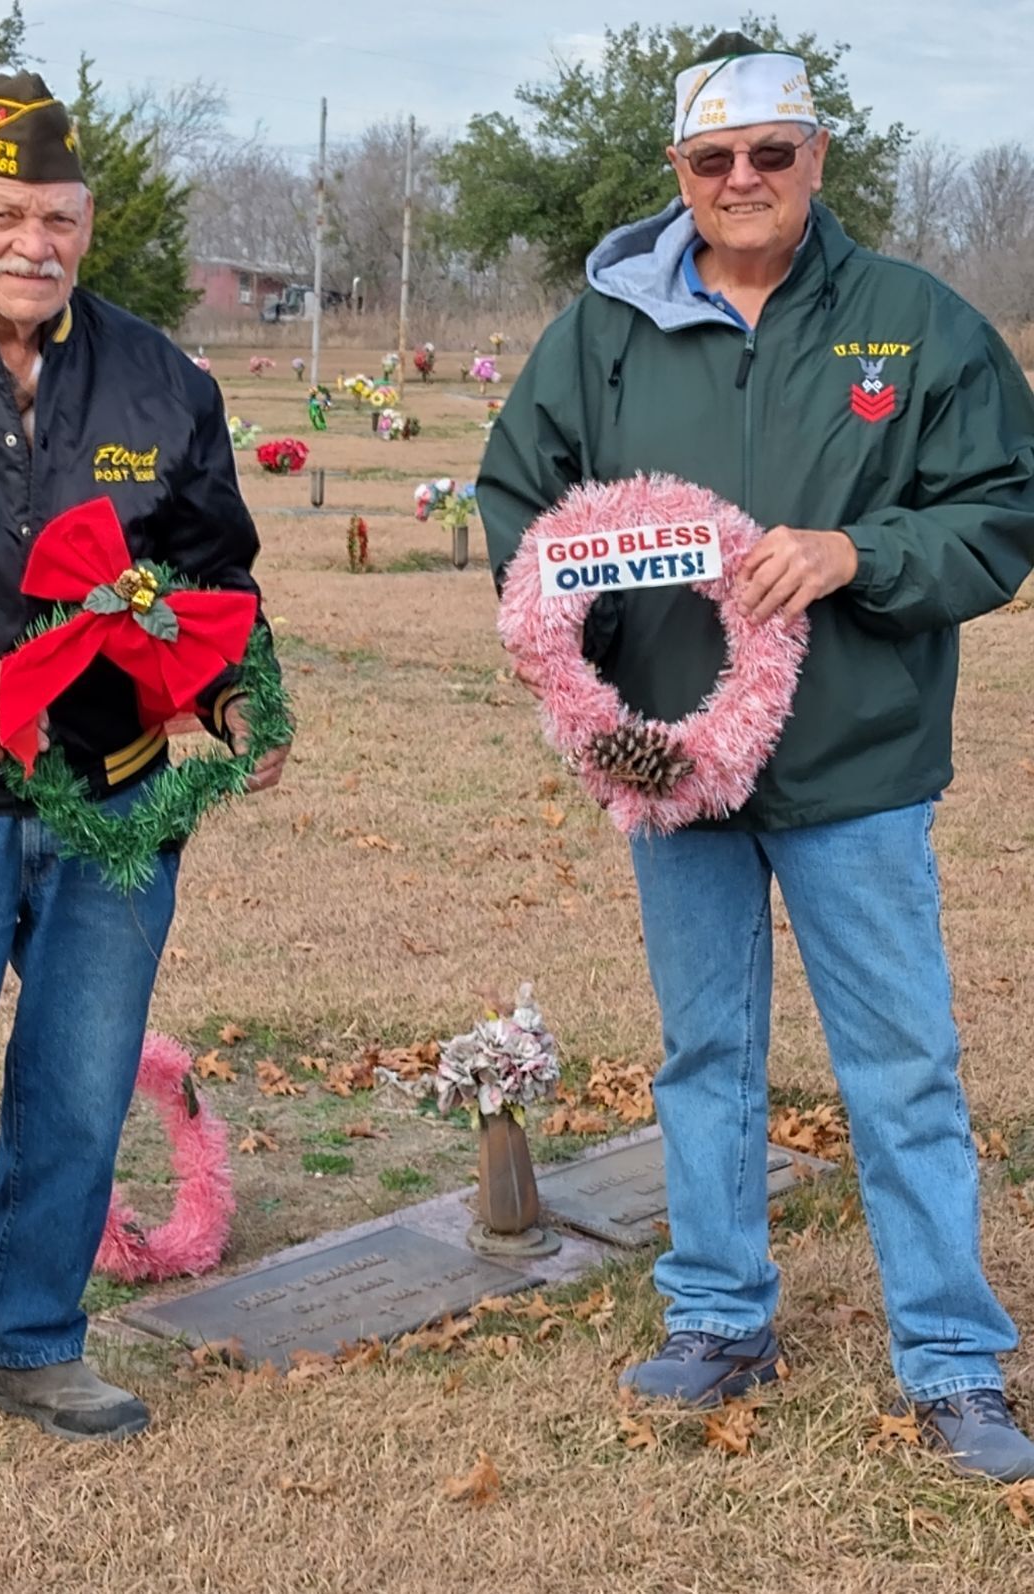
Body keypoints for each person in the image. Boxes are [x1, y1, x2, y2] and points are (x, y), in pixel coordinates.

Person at [478, 32, 1034, 1480]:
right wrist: (586, 678)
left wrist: (864, 550)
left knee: (902, 1065)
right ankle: (721, 1313)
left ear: (817, 159)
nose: (743, 182)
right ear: (680, 172)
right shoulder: (601, 328)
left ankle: (956, 1359)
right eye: (714, 160)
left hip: (854, 763)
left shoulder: (916, 324)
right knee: (706, 1052)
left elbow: (1000, 516)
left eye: (770, 155)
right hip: (675, 772)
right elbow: (515, 504)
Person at [0, 72, 289, 1507]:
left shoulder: (165, 380)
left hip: (116, 807)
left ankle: (30, 1338)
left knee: (81, 1087)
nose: (38, 240)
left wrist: (233, 689)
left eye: (63, 216)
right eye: (9, 212)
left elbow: (214, 575)